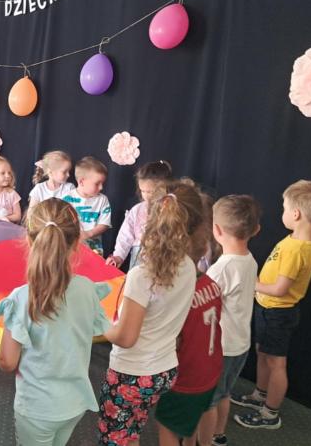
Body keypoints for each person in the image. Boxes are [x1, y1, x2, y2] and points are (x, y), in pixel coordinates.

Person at [0, 198, 109, 445]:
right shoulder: (88, 289)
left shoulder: (20, 298)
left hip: (37, 408)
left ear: (29, 240)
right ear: (76, 242)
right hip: (74, 403)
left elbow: (7, 361)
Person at [98, 182, 203, 446]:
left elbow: (125, 337)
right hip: (163, 371)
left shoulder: (142, 275)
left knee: (114, 437)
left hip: (132, 373)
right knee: (132, 430)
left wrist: (98, 321)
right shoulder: (189, 266)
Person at [232, 180, 311, 430]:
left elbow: (280, 289)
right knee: (263, 353)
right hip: (269, 309)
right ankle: (260, 395)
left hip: (277, 312)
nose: (283, 213)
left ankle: (270, 413)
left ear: (296, 214)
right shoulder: (301, 240)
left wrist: (252, 283)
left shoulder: (297, 248)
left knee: (276, 363)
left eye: (285, 208)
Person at [155, 183, 223, 446]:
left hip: (185, 377)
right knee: (190, 422)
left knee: (168, 429)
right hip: (210, 370)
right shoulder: (211, 283)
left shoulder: (178, 293)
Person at [194, 195, 260, 446]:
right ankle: (218, 434)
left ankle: (204, 440)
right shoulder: (250, 260)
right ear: (256, 230)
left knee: (207, 401)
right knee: (224, 393)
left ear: (217, 230)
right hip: (240, 344)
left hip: (219, 347)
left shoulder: (221, 269)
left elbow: (201, 303)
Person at [107, 160, 173, 269]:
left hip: (163, 262)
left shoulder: (173, 210)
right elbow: (125, 236)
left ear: (166, 188)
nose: (146, 196)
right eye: (143, 191)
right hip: (137, 264)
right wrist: (118, 256)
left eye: (151, 192)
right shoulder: (137, 210)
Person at [63, 156, 111, 256]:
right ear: (81, 182)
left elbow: (104, 224)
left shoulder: (102, 200)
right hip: (69, 246)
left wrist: (89, 233)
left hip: (94, 249)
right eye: (97, 184)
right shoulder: (66, 198)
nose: (101, 187)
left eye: (102, 183)